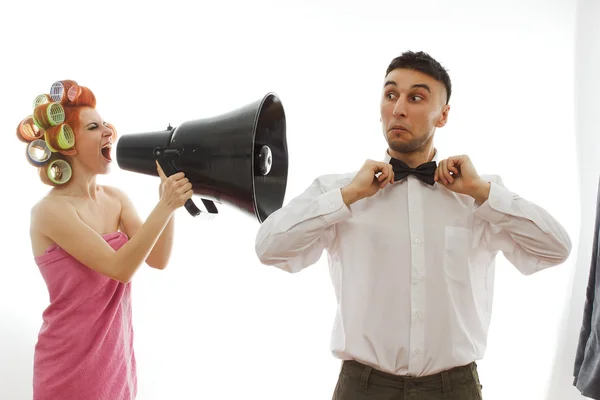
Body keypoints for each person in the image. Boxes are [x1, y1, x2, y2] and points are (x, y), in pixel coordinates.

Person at [254, 51, 572, 399]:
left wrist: (482, 192)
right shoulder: (338, 191)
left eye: (416, 97)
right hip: (362, 388)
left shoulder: (478, 195)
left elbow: (556, 248)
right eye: (391, 95)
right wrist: (346, 198)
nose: (398, 108)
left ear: (443, 115)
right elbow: (268, 247)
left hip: (455, 389)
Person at [17, 80, 193, 400]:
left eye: (105, 124)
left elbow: (158, 259)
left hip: (114, 363)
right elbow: (119, 267)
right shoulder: (50, 211)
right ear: (67, 144)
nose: (108, 132)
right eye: (94, 127)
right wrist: (164, 205)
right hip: (67, 368)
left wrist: (169, 201)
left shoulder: (116, 199)